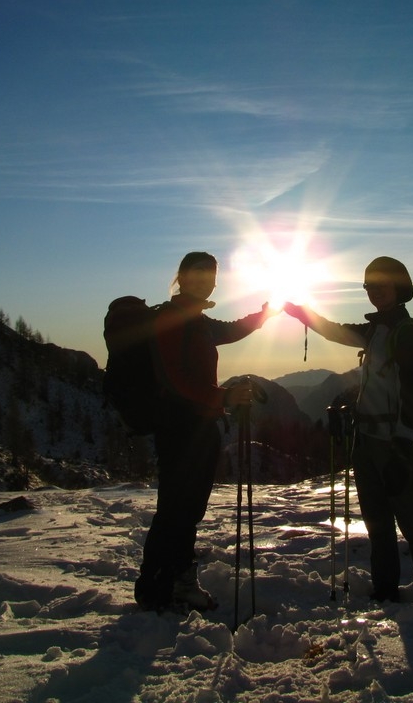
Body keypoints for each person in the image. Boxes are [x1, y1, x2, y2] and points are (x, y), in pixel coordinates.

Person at [284, 256, 413, 604]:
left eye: (381, 285)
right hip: (367, 441)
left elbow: (411, 396)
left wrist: (400, 447)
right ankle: (386, 591)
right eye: (368, 287)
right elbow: (335, 330)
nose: (374, 292)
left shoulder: (407, 334)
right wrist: (301, 312)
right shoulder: (376, 330)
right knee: (377, 523)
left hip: (394, 444)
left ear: (399, 287)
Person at [135, 251, 277, 612]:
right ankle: (158, 585)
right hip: (179, 428)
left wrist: (263, 315)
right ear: (180, 277)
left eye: (209, 275)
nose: (203, 280)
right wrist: (224, 396)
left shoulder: (197, 320)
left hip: (198, 427)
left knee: (186, 509)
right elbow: (173, 379)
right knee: (176, 509)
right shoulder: (171, 318)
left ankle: (171, 581)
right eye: (195, 274)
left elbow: (229, 329)